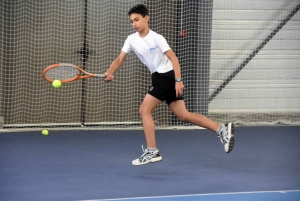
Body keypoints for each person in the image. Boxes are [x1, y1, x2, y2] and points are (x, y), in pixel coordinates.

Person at [104, 4, 234, 166]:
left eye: (137, 20)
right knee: (183, 114)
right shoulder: (131, 40)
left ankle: (152, 151)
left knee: (144, 110)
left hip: (166, 76)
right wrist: (110, 72)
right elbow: (120, 59)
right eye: (131, 22)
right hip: (159, 77)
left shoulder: (157, 38)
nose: (134, 24)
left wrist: (178, 80)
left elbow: (173, 58)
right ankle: (221, 129)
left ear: (146, 18)